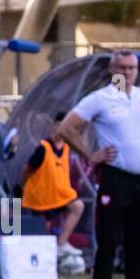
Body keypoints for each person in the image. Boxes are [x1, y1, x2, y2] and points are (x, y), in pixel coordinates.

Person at [59, 49, 140, 279]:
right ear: (112, 69)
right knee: (108, 244)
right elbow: (67, 128)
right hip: (114, 177)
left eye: (132, 68)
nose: (127, 73)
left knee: (137, 245)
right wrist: (90, 155)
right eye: (121, 68)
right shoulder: (100, 99)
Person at [21, 112, 85, 265]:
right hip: (42, 197)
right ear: (55, 125)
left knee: (78, 206)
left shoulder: (66, 148)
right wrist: (27, 187)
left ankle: (61, 244)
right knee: (44, 229)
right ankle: (42, 261)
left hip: (59, 195)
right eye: (61, 125)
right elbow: (27, 170)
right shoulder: (43, 148)